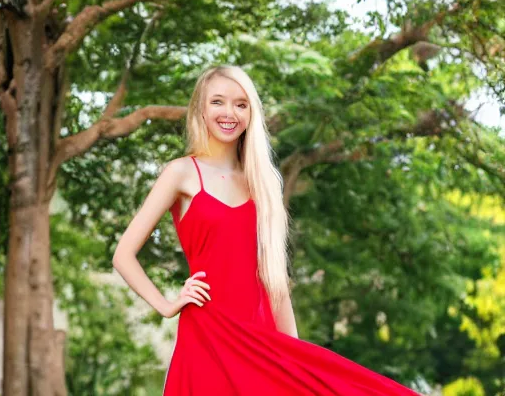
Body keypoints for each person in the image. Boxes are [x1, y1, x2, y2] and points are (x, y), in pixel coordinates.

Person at [112, 65, 421, 395]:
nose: (229, 112)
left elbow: (274, 280)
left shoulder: (263, 183)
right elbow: (123, 255)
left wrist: (296, 360)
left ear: (251, 113)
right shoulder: (181, 173)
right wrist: (167, 304)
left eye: (241, 104)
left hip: (260, 340)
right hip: (206, 337)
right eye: (218, 102)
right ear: (201, 108)